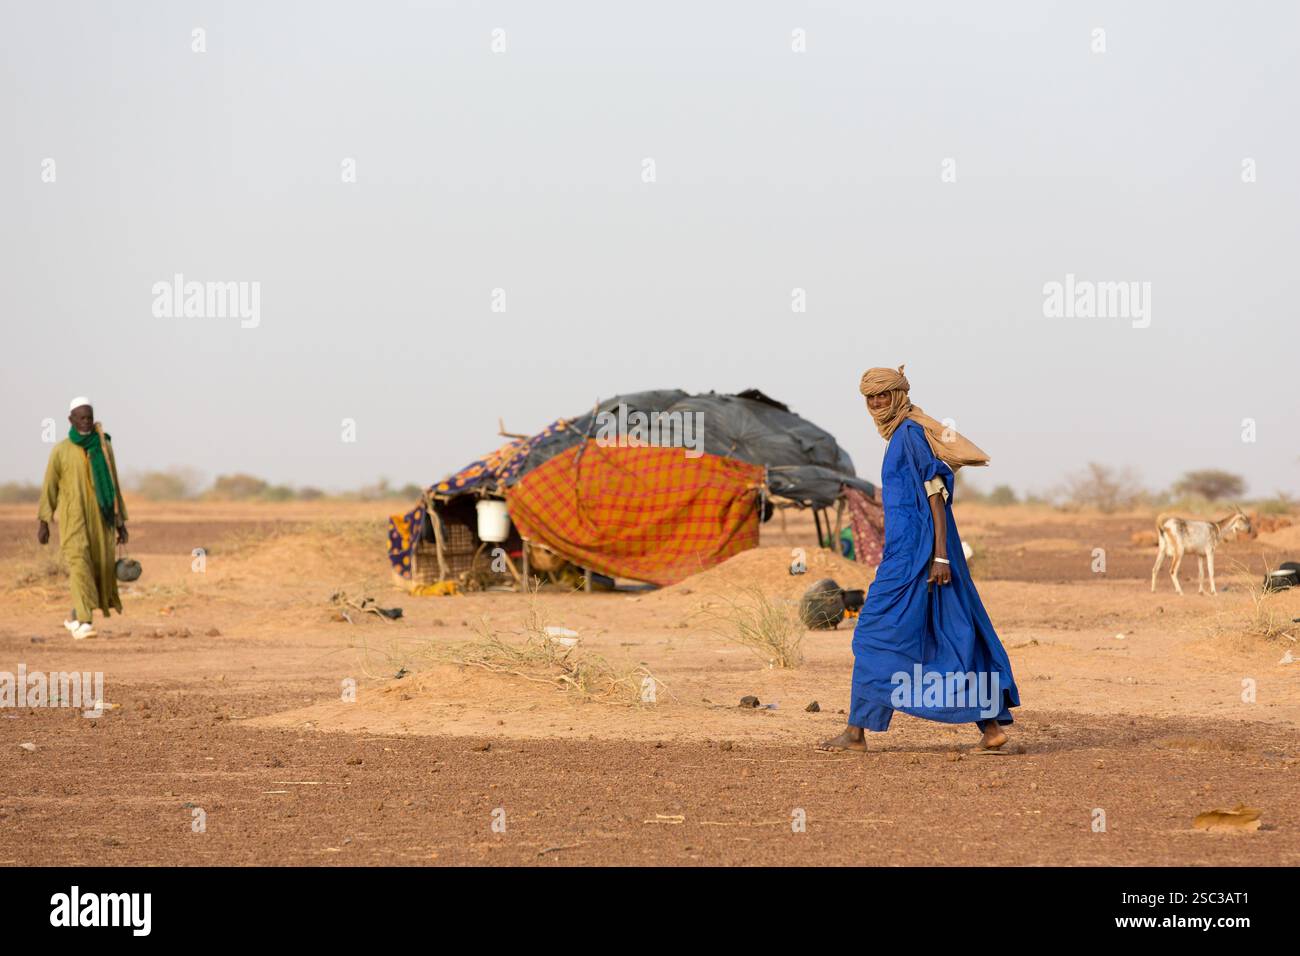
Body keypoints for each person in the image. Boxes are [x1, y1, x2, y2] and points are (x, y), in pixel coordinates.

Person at [819, 367, 1019, 753]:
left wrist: (940, 556)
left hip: (921, 557)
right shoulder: (900, 435)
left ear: (899, 396)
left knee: (873, 634)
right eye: (870, 398)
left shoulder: (909, 435)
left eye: (884, 395)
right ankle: (991, 731)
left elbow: (936, 494)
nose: (877, 403)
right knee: (954, 633)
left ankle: (855, 733)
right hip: (908, 553)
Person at [37, 398, 128, 639]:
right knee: (79, 565)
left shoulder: (104, 447)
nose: (86, 422)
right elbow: (49, 486)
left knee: (98, 567)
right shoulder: (61, 450)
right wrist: (44, 520)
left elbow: (114, 484)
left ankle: (74, 616)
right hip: (73, 520)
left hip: (101, 521)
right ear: (71, 420)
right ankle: (85, 621)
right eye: (81, 417)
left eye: (89, 417)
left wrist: (121, 522)